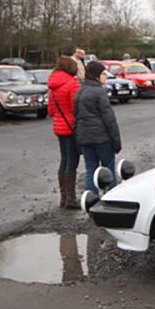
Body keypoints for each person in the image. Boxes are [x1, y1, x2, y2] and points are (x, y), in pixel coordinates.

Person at [74, 61, 123, 194]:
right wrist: (116, 142)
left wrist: (77, 139)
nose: (105, 76)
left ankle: (91, 198)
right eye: (103, 74)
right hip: (102, 139)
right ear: (96, 75)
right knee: (108, 168)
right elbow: (109, 119)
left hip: (85, 138)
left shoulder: (79, 91)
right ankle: (113, 197)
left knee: (91, 169)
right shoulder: (99, 92)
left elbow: (76, 117)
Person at [48, 56, 80, 209]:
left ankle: (64, 197)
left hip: (58, 126)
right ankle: (71, 199)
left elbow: (51, 110)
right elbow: (76, 108)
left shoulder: (53, 84)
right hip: (70, 126)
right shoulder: (71, 83)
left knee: (64, 160)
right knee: (72, 162)